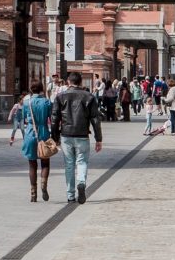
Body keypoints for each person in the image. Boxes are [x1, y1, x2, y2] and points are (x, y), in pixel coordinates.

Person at [50, 72, 107, 205]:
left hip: (66, 134)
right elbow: (95, 119)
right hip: (82, 134)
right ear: (81, 82)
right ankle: (81, 182)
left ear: (68, 82)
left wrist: (54, 137)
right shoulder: (89, 97)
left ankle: (70, 195)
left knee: (69, 165)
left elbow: (54, 119)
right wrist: (98, 139)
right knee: (82, 162)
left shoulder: (60, 97)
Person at [13, 80, 56, 202]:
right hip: (44, 133)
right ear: (42, 89)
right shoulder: (47, 102)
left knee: (32, 165)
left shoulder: (27, 102)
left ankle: (33, 194)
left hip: (31, 133)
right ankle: (44, 185)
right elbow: (51, 119)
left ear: (31, 90)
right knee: (45, 162)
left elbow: (25, 119)